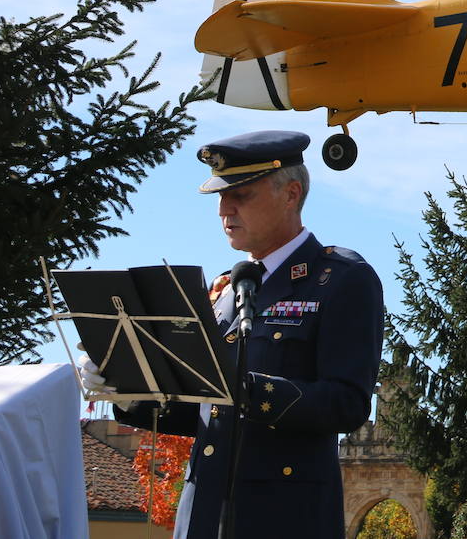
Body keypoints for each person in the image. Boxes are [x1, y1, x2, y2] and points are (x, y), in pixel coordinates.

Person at [78, 130, 384, 539]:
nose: (225, 210)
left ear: (291, 194)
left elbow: (347, 403)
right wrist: (132, 393)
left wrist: (248, 387)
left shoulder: (340, 280)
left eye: (241, 196)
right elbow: (206, 411)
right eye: (221, 198)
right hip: (202, 512)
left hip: (284, 518)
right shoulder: (227, 289)